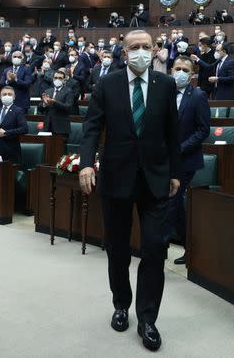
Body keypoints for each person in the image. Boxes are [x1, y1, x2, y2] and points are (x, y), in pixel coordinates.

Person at [77, 30, 181, 352]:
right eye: (133, 47)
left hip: (155, 179)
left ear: (155, 50)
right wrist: (85, 163)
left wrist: (175, 173)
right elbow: (93, 126)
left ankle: (147, 318)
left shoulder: (166, 84)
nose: (140, 52)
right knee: (117, 248)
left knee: (154, 249)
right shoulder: (107, 83)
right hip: (116, 178)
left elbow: (172, 133)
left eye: (145, 47)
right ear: (124, 53)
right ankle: (121, 303)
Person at [165, 56, 209, 266]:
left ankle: (160, 245)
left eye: (185, 70)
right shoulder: (164, 94)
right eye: (177, 69)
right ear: (171, 70)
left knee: (172, 202)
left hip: (186, 159)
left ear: (192, 75)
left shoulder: (198, 95)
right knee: (175, 206)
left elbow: (203, 130)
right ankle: (191, 248)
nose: (180, 72)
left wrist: (180, 149)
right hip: (164, 159)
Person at [0, 86, 28, 162]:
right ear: (0, 96)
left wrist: (6, 133)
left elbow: (24, 129)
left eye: (9, 94)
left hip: (11, 151)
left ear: (14, 97)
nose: (7, 96)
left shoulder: (18, 111)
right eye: (4, 94)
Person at [38, 69, 76, 140]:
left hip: (61, 127)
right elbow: (39, 109)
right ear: (53, 79)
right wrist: (44, 104)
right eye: (55, 78)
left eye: (60, 78)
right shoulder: (48, 91)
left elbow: (68, 107)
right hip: (48, 126)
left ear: (64, 80)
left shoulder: (69, 91)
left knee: (60, 150)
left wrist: (54, 102)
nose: (57, 80)